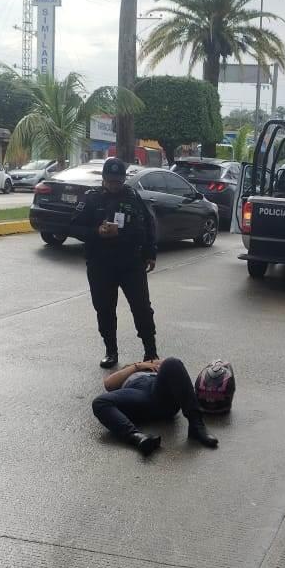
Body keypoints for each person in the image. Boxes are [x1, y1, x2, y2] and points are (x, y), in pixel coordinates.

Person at [70, 158, 158, 368]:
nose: (114, 185)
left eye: (118, 181)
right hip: (101, 265)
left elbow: (147, 225)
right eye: (110, 181)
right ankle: (111, 351)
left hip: (130, 263)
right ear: (103, 179)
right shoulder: (91, 199)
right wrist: (96, 232)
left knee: (142, 308)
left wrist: (150, 252)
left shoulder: (132, 196)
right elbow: (74, 228)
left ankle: (151, 352)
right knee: (104, 309)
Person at [91, 357, 219, 456]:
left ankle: (196, 426)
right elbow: (109, 384)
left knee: (172, 362)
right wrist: (138, 366)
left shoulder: (159, 370)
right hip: (137, 395)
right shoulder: (130, 371)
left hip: (162, 394)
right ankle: (137, 437)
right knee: (100, 402)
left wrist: (154, 363)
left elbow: (171, 366)